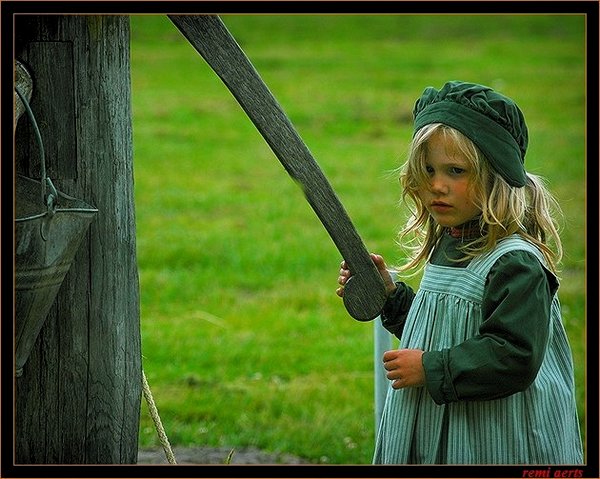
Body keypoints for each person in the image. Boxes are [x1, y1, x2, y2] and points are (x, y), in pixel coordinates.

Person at [336, 81, 584, 465]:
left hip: (498, 434)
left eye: (456, 171)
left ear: (496, 174)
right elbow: (445, 325)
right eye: (429, 170)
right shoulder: (450, 242)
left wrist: (430, 367)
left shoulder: (514, 263)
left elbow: (514, 355)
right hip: (447, 423)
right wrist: (390, 297)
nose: (437, 184)